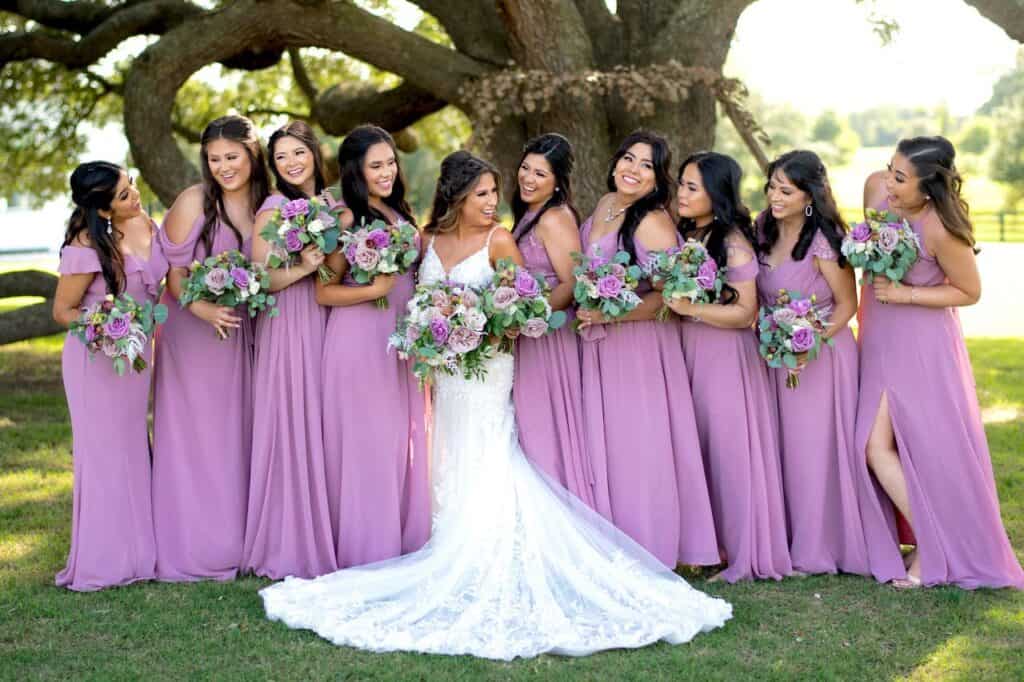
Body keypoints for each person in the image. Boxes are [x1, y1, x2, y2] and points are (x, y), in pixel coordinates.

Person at [259, 151, 732, 660]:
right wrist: (432, 329)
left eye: (492, 193)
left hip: (487, 367)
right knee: (444, 447)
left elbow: (523, 301)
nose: (491, 203)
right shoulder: (426, 240)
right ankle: (438, 534)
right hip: (444, 366)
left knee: (487, 447)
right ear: (457, 196)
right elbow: (417, 296)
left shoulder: (500, 240)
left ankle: (482, 540)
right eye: (482, 194)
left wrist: (491, 325)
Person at [858, 136, 1024, 589]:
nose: (888, 183)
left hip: (920, 343)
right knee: (878, 444)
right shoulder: (876, 192)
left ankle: (934, 546)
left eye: (900, 177)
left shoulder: (940, 229)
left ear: (928, 186)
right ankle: (924, 541)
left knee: (882, 446)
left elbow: (970, 292)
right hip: (877, 335)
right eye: (889, 169)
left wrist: (907, 293)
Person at [577, 131, 719, 568]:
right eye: (627, 158)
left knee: (641, 447)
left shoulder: (652, 222)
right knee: (613, 448)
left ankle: (654, 545)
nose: (632, 170)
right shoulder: (605, 204)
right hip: (602, 345)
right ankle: (616, 543)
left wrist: (610, 315)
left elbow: (671, 299)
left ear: (658, 179)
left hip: (638, 346)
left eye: (645, 165)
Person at [756, 150, 895, 580]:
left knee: (816, 451)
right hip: (780, 356)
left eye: (785, 189)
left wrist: (806, 340)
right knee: (788, 449)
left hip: (822, 356)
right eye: (771, 186)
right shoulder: (762, 229)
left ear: (809, 196)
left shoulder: (824, 240)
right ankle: (792, 535)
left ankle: (824, 544)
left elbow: (847, 304)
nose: (774, 196)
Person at [152, 115, 269, 581]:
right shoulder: (194, 201)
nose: (223, 167)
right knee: (198, 435)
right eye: (214, 159)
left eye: (232, 157)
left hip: (243, 332)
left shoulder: (265, 203)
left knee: (238, 432)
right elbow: (174, 278)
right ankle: (194, 541)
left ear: (252, 154)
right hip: (194, 334)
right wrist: (204, 311)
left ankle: (238, 538)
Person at [667, 151, 791, 582]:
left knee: (727, 449)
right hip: (686, 349)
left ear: (714, 193)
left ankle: (743, 546)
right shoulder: (684, 232)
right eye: (681, 184)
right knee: (696, 446)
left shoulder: (732, 240)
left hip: (724, 355)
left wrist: (689, 308)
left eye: (691, 187)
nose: (681, 193)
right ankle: (706, 543)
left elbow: (745, 313)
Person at [316, 124, 430, 567]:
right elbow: (324, 291)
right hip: (358, 340)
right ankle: (366, 547)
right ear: (356, 171)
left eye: (390, 163)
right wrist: (373, 289)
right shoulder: (347, 217)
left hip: (400, 340)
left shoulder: (399, 211)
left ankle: (399, 539)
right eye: (375, 165)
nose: (386, 172)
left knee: (398, 441)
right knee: (368, 443)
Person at [52, 161, 168, 590]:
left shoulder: (149, 225)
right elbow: (63, 311)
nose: (134, 195)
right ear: (103, 210)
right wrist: (104, 327)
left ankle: (141, 555)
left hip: (137, 359)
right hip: (95, 362)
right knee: (103, 456)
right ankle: (103, 561)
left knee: (134, 449)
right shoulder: (84, 247)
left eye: (131, 185)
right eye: (123, 195)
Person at [242, 121, 336, 579]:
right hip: (290, 323)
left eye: (298, 152)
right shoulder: (274, 209)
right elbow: (259, 278)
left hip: (331, 321)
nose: (291, 163)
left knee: (327, 423)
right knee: (293, 419)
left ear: (315, 153)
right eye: (281, 157)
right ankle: (292, 538)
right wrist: (302, 268)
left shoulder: (334, 203)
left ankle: (335, 528)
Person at [509, 133, 595, 507]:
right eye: (525, 168)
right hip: (530, 337)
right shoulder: (530, 213)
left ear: (557, 181)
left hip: (550, 339)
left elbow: (572, 283)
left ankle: (563, 510)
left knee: (547, 428)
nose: (528, 178)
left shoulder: (555, 218)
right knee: (532, 426)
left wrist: (530, 314)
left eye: (540, 174)